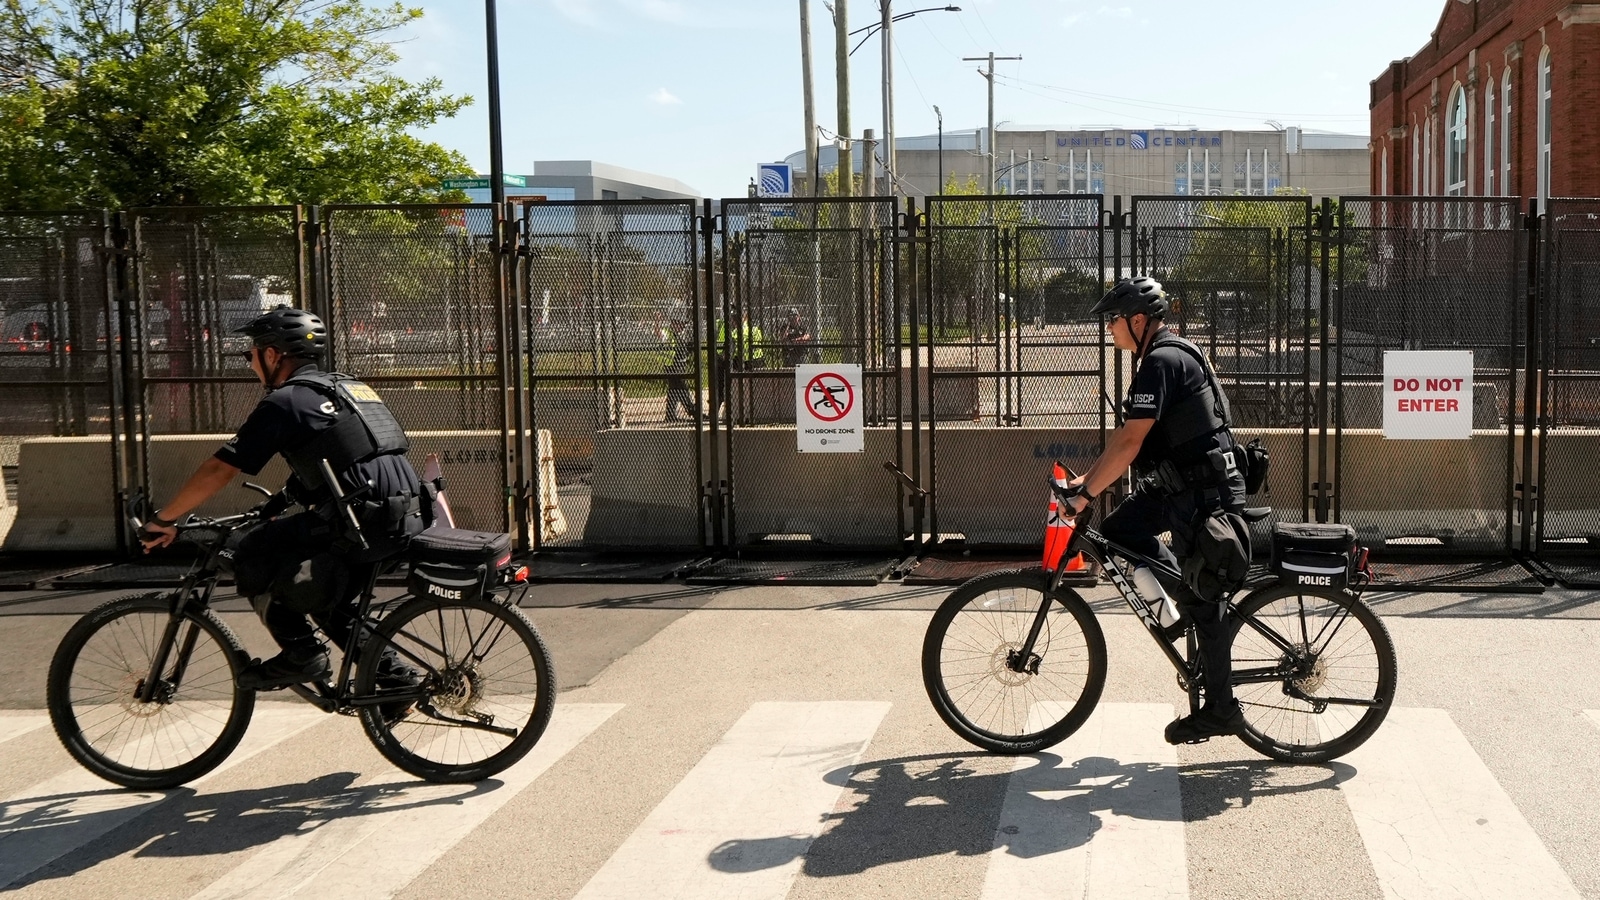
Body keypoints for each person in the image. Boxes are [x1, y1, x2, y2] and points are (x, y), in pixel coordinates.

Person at [139, 306, 426, 693]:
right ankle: (397, 683)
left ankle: (301, 656)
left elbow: (221, 469)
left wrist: (165, 518)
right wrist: (274, 505)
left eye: (250, 355)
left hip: (362, 519)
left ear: (272, 354)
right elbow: (341, 457)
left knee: (253, 551)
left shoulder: (286, 402)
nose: (251, 364)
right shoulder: (347, 388)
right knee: (328, 600)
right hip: (405, 514)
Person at [1059, 276, 1250, 745]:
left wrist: (1083, 496)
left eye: (1114, 321)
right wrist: (1088, 481)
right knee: (1120, 530)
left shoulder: (1161, 360)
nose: (1110, 330)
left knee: (1204, 604)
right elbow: (1128, 439)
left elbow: (1129, 441)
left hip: (1202, 495)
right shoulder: (1167, 353)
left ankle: (1222, 710)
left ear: (1138, 320)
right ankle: (1180, 604)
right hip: (1182, 486)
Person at [659, 317, 696, 422]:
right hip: (672, 367)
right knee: (682, 388)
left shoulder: (680, 335)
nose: (682, 327)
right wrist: (657, 322)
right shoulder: (668, 333)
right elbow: (659, 333)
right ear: (674, 323)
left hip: (679, 366)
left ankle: (670, 415)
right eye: (680, 324)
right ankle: (692, 410)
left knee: (674, 390)